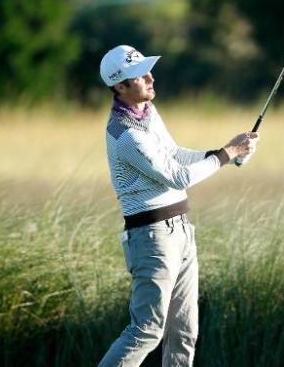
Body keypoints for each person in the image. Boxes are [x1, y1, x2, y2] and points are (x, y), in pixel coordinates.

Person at [97, 45, 258, 366]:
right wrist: (226, 154)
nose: (150, 77)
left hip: (182, 231)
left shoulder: (147, 114)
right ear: (119, 86)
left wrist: (227, 155)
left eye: (147, 70)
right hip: (151, 238)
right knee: (146, 330)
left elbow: (176, 154)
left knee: (184, 332)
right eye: (139, 76)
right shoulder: (125, 134)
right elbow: (178, 176)